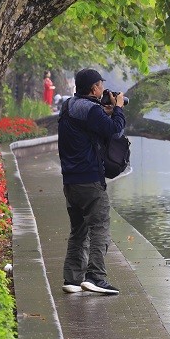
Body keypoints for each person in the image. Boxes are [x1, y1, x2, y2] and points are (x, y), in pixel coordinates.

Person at [57, 68, 126, 295]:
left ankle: (72, 279)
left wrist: (105, 112)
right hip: (89, 180)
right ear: (94, 88)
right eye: (101, 86)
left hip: (70, 181)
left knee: (78, 230)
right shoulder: (91, 110)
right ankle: (96, 276)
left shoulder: (68, 106)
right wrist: (118, 109)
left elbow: (86, 127)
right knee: (100, 228)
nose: (104, 90)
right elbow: (115, 132)